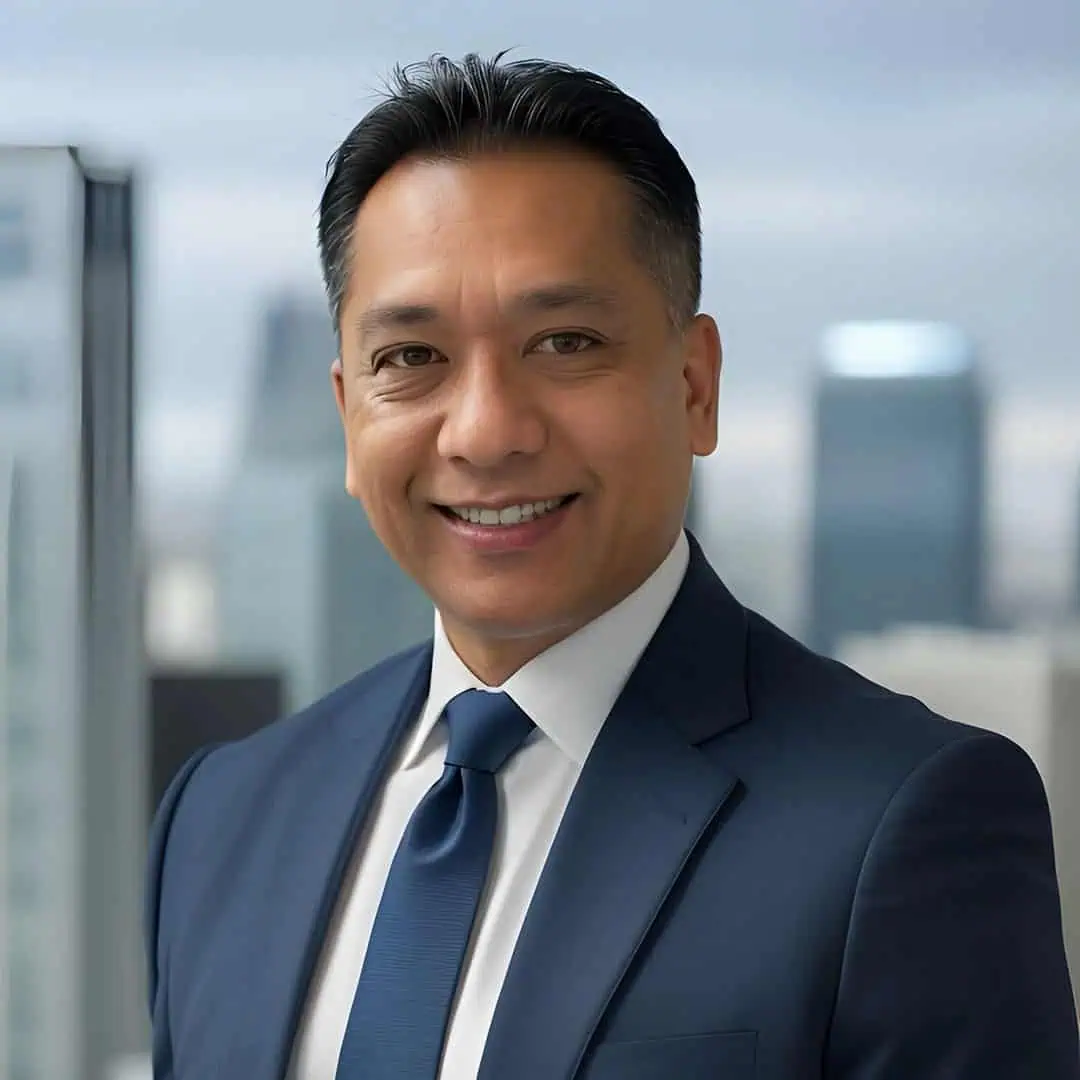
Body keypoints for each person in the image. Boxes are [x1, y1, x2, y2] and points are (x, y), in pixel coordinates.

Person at [145, 53, 1080, 1080]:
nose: (487, 431)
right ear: (347, 412)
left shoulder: (903, 821)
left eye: (564, 342)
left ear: (694, 387)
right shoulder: (223, 816)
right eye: (412, 358)